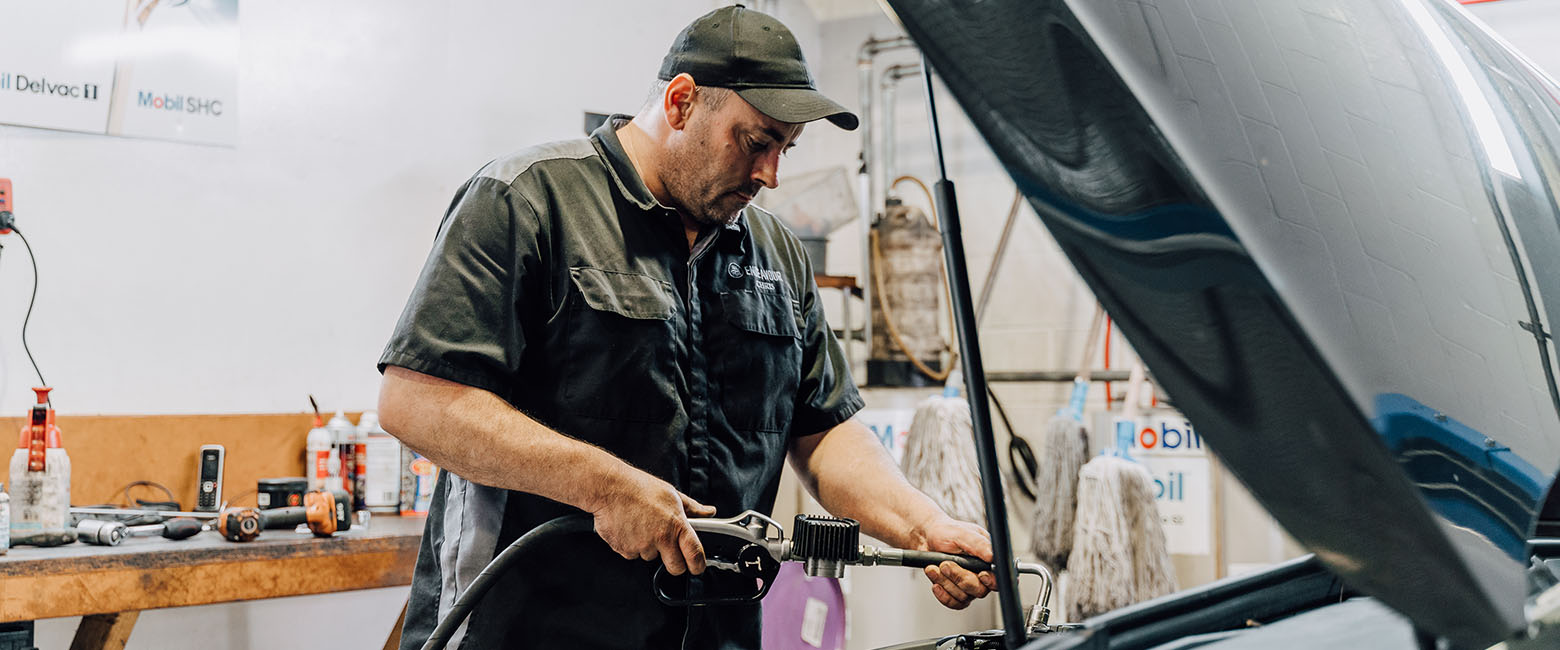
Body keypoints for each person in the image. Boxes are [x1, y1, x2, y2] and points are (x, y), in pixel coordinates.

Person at [378, 6, 994, 648]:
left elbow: (824, 430)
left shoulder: (776, 254)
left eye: (785, 148)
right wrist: (604, 486)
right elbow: (417, 401)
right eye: (756, 142)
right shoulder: (526, 201)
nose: (771, 175)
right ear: (680, 102)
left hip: (716, 631)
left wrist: (923, 527)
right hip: (526, 629)